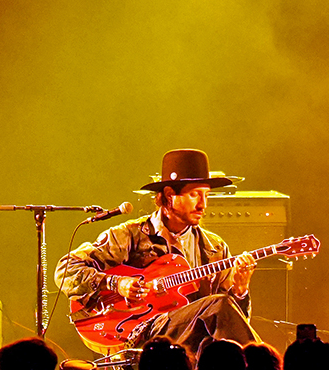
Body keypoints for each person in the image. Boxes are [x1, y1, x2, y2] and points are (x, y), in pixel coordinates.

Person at [55, 148, 258, 353]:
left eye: (206, 195)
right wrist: (118, 283)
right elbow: (66, 270)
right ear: (170, 195)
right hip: (143, 329)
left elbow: (230, 324)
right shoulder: (129, 236)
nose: (203, 204)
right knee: (218, 305)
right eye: (195, 194)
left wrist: (240, 292)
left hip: (196, 341)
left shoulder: (215, 247)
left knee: (219, 317)